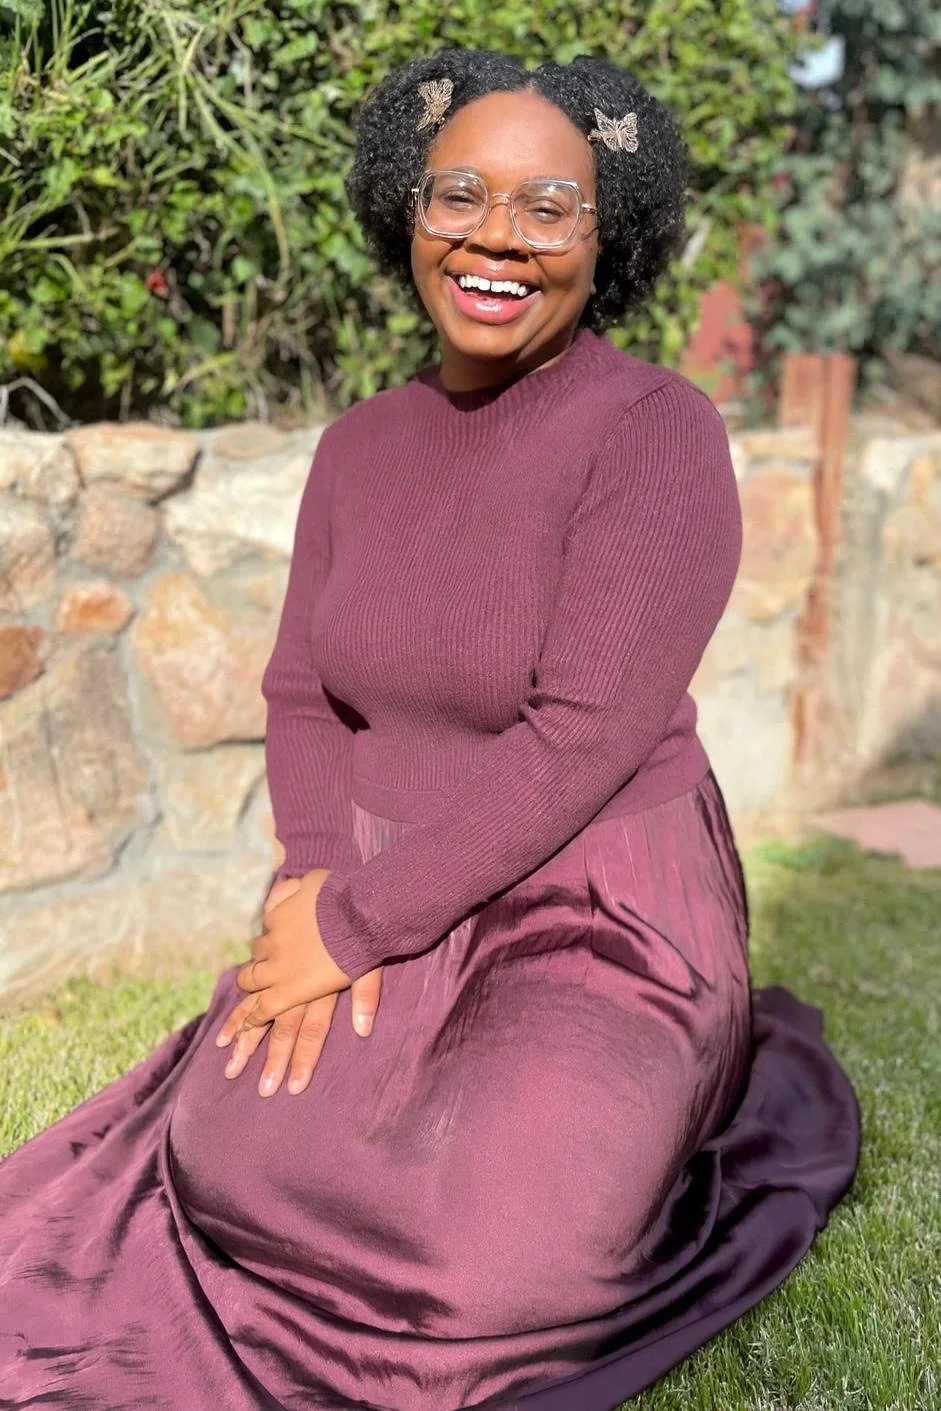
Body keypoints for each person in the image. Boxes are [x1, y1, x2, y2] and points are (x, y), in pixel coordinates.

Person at [0, 47, 860, 1411]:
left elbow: (580, 738)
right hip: (389, 884)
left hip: (597, 911)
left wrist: (350, 929)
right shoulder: (357, 447)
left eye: (547, 207)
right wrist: (311, 882)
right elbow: (303, 692)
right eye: (459, 192)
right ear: (407, 206)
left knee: (492, 1266)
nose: (494, 238)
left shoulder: (656, 431)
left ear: (609, 230)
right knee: (237, 1159)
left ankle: (676, 1077)